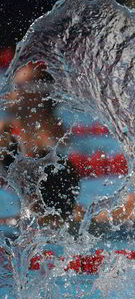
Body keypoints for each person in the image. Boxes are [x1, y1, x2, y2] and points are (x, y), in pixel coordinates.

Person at [0, 63, 80, 228]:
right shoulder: (5, 131)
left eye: (17, 86)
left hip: (47, 213)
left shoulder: (58, 135)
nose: (9, 93)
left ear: (37, 94)